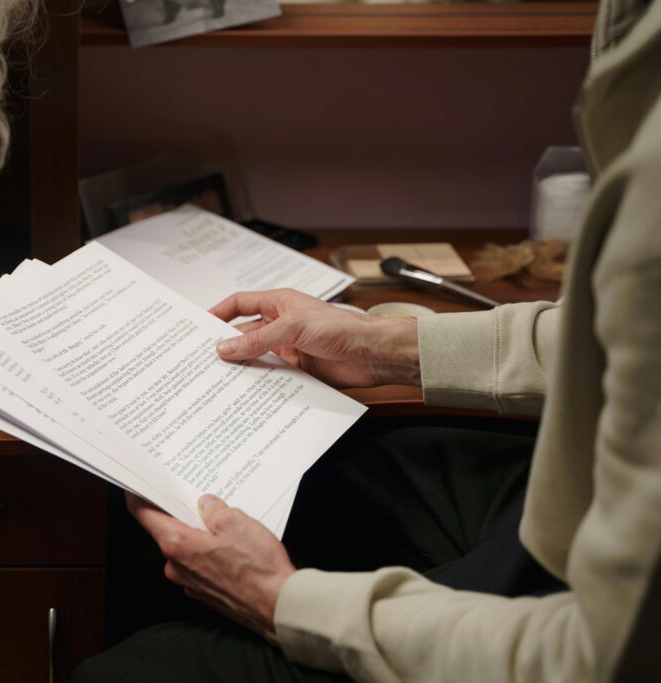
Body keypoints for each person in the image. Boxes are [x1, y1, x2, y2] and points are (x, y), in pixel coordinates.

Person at [72, 0, 661, 679]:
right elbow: (613, 338)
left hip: (573, 620)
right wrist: (383, 345)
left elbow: (593, 658)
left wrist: (281, 603)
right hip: (572, 491)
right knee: (274, 483)